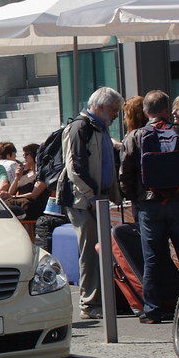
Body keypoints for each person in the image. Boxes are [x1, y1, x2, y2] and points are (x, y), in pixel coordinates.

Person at [119, 90, 179, 324]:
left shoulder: (134, 136)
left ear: (146, 112)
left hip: (149, 205)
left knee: (152, 258)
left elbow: (125, 174)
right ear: (166, 109)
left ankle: (152, 310)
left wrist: (137, 197)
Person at [57, 86, 124, 321]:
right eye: (115, 110)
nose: (117, 114)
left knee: (98, 249)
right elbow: (75, 167)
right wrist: (92, 197)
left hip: (97, 198)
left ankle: (99, 299)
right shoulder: (81, 127)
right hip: (83, 200)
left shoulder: (100, 128)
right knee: (90, 250)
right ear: (102, 106)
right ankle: (89, 302)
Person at [7, 143, 48, 221]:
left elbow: (33, 195)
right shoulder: (25, 173)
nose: (24, 156)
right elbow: (11, 192)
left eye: (27, 154)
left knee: (8, 205)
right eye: (23, 154)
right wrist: (17, 178)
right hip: (20, 203)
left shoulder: (42, 174)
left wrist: (13, 197)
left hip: (32, 206)